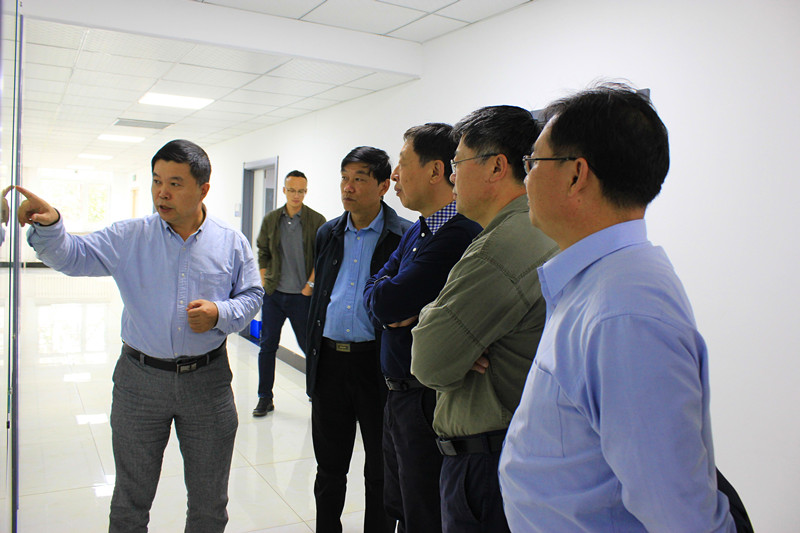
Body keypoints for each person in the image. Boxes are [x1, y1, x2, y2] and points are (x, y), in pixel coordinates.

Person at [498, 83, 735, 532]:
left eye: (532, 163)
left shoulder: (624, 314)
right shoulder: (602, 283)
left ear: (576, 174)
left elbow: (679, 514)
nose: (525, 179)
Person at [16, 139, 263, 533]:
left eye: (175, 183)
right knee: (130, 502)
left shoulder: (231, 242)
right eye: (157, 181)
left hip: (208, 383)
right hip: (140, 383)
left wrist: (220, 313)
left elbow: (251, 296)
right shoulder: (129, 236)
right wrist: (51, 225)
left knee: (209, 505)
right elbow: (72, 255)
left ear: (203, 189)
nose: (162, 192)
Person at [410, 106, 558, 533]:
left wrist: (433, 321)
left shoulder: (502, 247)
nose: (452, 177)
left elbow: (429, 359)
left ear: (496, 166)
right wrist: (444, 323)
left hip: (488, 465)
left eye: (457, 163)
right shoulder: (525, 230)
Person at [363, 124, 482, 532]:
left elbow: (388, 300)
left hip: (426, 399)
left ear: (435, 171)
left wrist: (390, 303)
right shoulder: (420, 228)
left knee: (423, 512)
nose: (395, 175)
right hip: (397, 395)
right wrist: (389, 304)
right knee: (399, 503)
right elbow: (375, 294)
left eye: (402, 163)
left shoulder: (458, 234)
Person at [306, 146, 412, 533]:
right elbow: (320, 296)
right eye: (344, 179)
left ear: (383, 186)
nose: (347, 188)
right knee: (329, 467)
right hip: (330, 363)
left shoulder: (402, 235)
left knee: (381, 469)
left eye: (359, 179)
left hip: (377, 364)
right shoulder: (328, 233)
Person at [253, 170, 325, 416]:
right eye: (292, 190)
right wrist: (265, 280)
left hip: (302, 297)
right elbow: (263, 251)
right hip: (274, 295)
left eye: (301, 191)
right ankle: (265, 397)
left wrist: (310, 286)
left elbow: (322, 256)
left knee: (310, 347)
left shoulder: (316, 221)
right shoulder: (272, 219)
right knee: (267, 346)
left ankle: (317, 393)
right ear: (284, 190)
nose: (296, 195)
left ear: (306, 192)